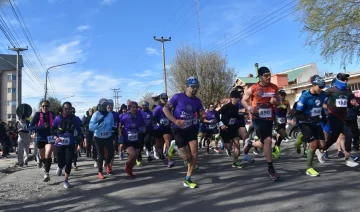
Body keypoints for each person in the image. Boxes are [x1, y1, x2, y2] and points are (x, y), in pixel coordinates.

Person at [163, 76, 205, 188]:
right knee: (187, 157)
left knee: (194, 154)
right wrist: (175, 120)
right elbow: (165, 109)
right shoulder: (177, 97)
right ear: (187, 86)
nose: (195, 89)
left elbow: (201, 112)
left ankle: (187, 178)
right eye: (193, 87)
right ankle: (174, 146)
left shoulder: (197, 100)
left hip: (191, 128)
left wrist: (202, 115)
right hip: (178, 129)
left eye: (197, 87)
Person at [241, 66, 281, 181]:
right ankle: (271, 168)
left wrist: (276, 102)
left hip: (269, 118)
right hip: (257, 118)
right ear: (260, 76)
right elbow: (243, 100)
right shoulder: (253, 88)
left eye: (270, 75)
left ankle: (251, 144)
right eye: (266, 76)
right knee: (268, 140)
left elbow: (279, 102)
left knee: (265, 144)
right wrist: (249, 108)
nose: (268, 78)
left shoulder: (274, 88)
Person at [52, 102, 82, 188]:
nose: (67, 110)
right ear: (62, 109)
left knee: (68, 161)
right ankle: (60, 166)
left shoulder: (75, 119)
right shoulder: (58, 118)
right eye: (66, 108)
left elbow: (79, 130)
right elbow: (52, 129)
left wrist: (79, 140)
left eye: (69, 108)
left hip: (71, 142)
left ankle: (66, 180)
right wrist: (55, 137)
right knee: (61, 161)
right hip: (60, 143)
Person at [119, 101, 146, 177]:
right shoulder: (124, 116)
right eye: (133, 107)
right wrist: (120, 134)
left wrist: (140, 130)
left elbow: (143, 127)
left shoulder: (139, 116)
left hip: (137, 140)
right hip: (128, 140)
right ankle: (127, 165)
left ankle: (129, 168)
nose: (135, 108)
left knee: (134, 158)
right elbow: (120, 125)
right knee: (133, 154)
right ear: (129, 107)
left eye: (136, 107)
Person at [30, 100, 54, 181]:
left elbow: (57, 124)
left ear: (49, 107)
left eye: (46, 106)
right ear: (41, 107)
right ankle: (44, 163)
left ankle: (47, 173)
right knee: (43, 157)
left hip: (50, 137)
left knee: (49, 152)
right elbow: (31, 127)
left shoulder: (52, 114)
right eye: (43, 106)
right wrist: (41, 127)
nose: (45, 107)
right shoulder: (37, 115)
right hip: (40, 138)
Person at [89, 98, 114, 179]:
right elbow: (90, 127)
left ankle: (106, 164)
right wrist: (98, 125)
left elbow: (112, 125)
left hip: (108, 136)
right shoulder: (96, 114)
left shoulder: (110, 114)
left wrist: (112, 130)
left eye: (106, 105)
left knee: (111, 153)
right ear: (99, 105)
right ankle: (100, 172)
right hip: (98, 138)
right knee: (100, 155)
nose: (105, 106)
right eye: (103, 105)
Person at [152, 93, 174, 167]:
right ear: (160, 99)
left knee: (168, 143)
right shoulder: (158, 108)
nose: (165, 100)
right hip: (158, 128)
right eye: (163, 98)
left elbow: (171, 116)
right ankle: (157, 149)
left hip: (166, 128)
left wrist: (172, 122)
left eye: (166, 98)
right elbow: (153, 118)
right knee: (159, 144)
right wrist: (157, 123)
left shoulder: (169, 107)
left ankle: (170, 160)